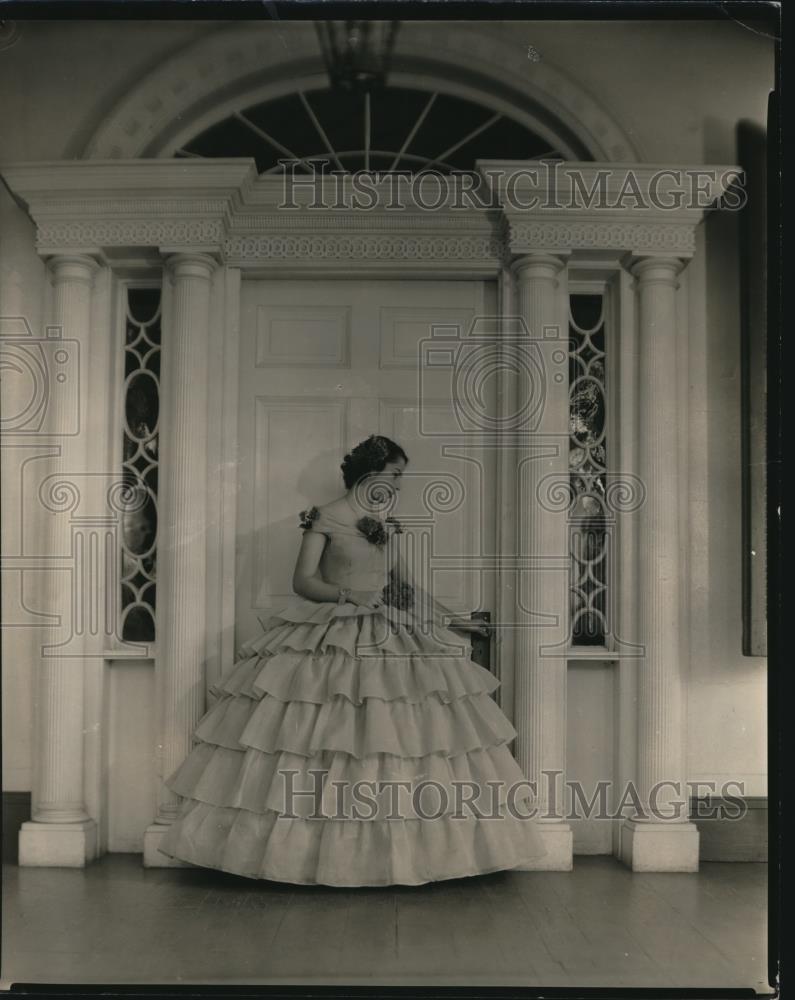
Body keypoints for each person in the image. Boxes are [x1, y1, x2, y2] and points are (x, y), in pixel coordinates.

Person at [158, 434, 546, 885]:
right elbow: (303, 581)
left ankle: (401, 858)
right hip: (334, 628)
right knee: (320, 735)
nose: (398, 486)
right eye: (395, 476)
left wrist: (454, 620)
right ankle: (307, 857)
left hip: (387, 628)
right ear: (370, 472)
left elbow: (404, 586)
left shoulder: (387, 520)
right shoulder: (325, 517)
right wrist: (351, 595)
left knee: (397, 735)